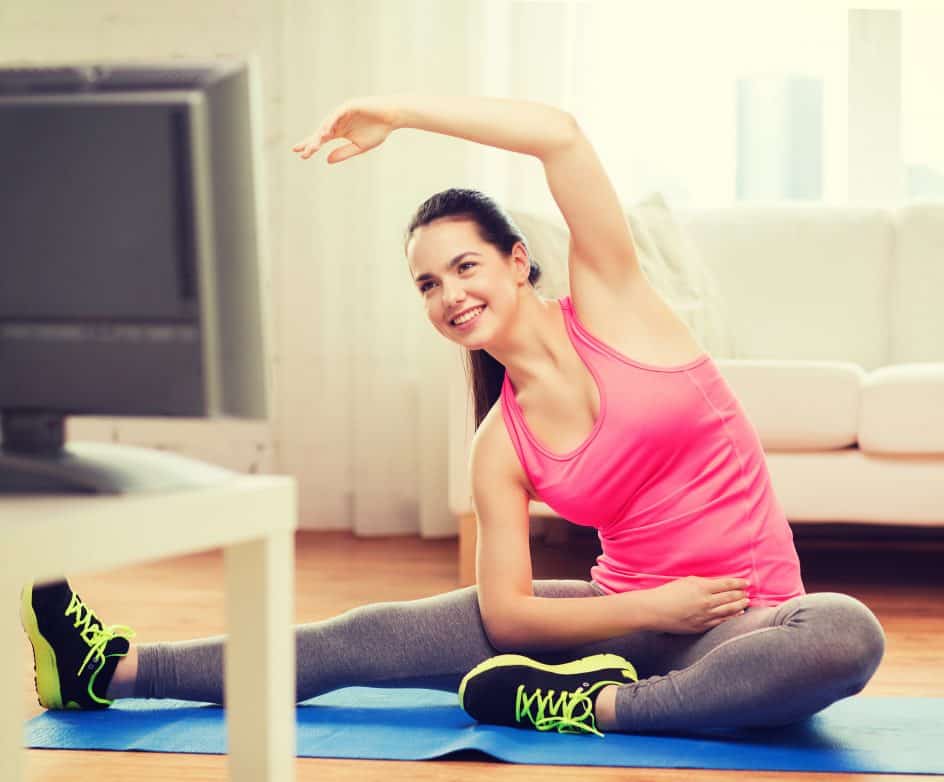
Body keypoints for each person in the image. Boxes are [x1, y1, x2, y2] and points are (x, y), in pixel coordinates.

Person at [21, 94, 885, 738]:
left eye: (465, 267)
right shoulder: (497, 443)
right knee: (365, 637)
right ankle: (115, 669)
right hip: (623, 616)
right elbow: (509, 616)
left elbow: (561, 136)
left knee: (844, 634)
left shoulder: (618, 309)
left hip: (746, 622)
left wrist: (395, 112)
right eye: (428, 284)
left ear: (518, 263)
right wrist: (657, 606)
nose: (450, 295)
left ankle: (598, 709)